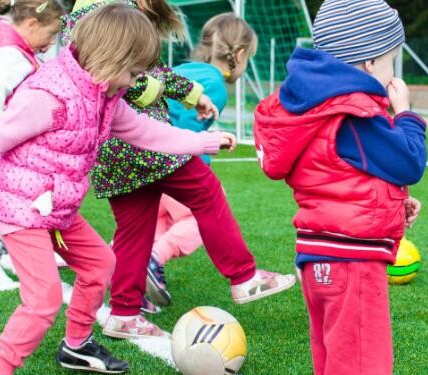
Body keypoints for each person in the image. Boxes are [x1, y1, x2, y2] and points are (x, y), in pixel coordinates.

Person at [0, 5, 235, 375]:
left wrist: (201, 141)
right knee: (43, 301)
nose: (133, 83)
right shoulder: (48, 96)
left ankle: (76, 346)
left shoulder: (106, 95)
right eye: (132, 73)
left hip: (56, 208)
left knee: (100, 264)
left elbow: (147, 132)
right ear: (111, 60)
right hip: (22, 209)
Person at [63, 0, 295, 339]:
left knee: (134, 228)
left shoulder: (86, 14)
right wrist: (185, 95)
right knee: (207, 192)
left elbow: (144, 72)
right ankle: (244, 277)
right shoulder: (115, 12)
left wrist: (191, 94)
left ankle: (124, 313)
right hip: (142, 141)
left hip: (111, 148)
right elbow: (134, 76)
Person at [253, 1, 427, 375]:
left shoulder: (315, 105)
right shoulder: (354, 112)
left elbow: (334, 172)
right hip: (353, 262)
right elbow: (410, 161)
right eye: (391, 60)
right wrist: (406, 115)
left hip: (318, 256)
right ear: (369, 63)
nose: (392, 73)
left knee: (336, 367)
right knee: (363, 370)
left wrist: (395, 201)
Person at [146, 13, 259, 307]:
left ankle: (124, 271)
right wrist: (206, 144)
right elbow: (184, 131)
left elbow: (175, 115)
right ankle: (154, 259)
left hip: (142, 158)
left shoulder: (186, 70)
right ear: (240, 54)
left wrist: (213, 136)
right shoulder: (216, 87)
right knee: (202, 216)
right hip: (169, 163)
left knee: (152, 225)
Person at [0, 0, 66, 291]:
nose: (50, 43)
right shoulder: (11, 55)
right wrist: (2, 138)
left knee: (31, 198)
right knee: (21, 201)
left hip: (7, 139)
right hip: (8, 141)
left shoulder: (12, 45)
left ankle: (3, 257)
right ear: (32, 25)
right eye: (50, 34)